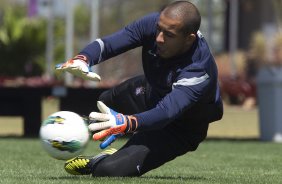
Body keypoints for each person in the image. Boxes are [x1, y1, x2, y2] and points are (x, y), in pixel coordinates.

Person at [56, 0, 223, 177]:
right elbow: (111, 43)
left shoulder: (198, 70)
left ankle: (105, 159)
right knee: (105, 101)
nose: (159, 38)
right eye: (159, 29)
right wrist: (83, 58)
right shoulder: (156, 24)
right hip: (152, 91)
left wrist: (127, 123)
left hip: (180, 127)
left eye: (169, 35)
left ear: (189, 39)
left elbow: (167, 112)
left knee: (106, 172)